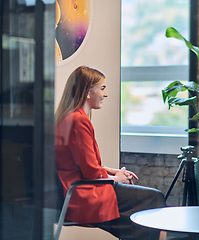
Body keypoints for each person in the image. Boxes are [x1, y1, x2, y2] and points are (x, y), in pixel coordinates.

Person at [55, 66, 166, 240]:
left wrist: (109, 171)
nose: (105, 94)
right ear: (87, 92)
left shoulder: (71, 118)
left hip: (77, 189)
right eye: (102, 88)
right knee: (154, 198)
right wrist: (116, 179)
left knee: (142, 214)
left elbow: (80, 164)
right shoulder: (78, 121)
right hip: (81, 194)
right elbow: (90, 173)